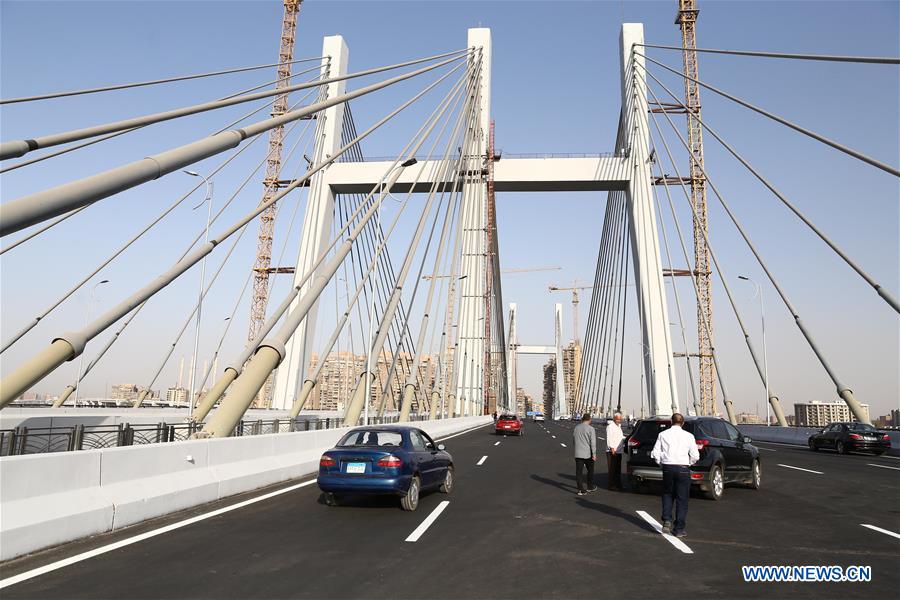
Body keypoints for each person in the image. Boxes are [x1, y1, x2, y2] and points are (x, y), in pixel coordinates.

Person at [650, 413, 699, 538]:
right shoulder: (689, 436)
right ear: (683, 423)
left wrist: (661, 462)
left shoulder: (663, 434)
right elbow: (695, 456)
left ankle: (667, 520)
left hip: (668, 467)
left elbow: (655, 452)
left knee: (667, 493)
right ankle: (679, 529)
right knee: (682, 498)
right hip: (683, 468)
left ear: (671, 422)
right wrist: (688, 463)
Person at [573, 413, 598, 496]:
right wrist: (594, 454)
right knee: (590, 470)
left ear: (582, 419)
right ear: (590, 420)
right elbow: (593, 443)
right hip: (588, 454)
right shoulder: (591, 429)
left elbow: (574, 440)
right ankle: (590, 487)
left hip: (578, 453)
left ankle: (580, 490)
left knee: (579, 472)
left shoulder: (576, 428)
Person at [605, 412, 624, 491]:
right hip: (612, 451)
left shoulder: (618, 426)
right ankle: (611, 485)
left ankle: (618, 484)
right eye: (618, 419)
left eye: (620, 419)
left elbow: (620, 437)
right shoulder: (610, 427)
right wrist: (612, 448)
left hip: (619, 451)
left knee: (618, 469)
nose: (619, 421)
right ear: (614, 419)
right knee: (612, 469)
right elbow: (609, 438)